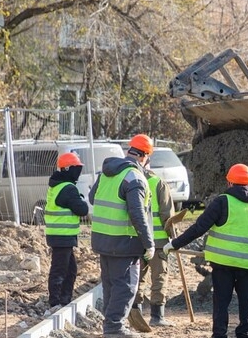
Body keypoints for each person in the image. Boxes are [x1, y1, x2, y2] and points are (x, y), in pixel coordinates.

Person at [164, 163, 248, 338]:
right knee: (247, 302)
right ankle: (245, 333)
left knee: (221, 302)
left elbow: (199, 227)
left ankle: (219, 334)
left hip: (224, 264)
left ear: (229, 182)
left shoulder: (222, 201)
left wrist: (175, 244)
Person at [89, 134, 156, 337]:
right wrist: (149, 243)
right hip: (124, 242)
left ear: (130, 151)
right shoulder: (134, 177)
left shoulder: (106, 173)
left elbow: (92, 197)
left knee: (111, 285)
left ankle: (111, 325)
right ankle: (114, 327)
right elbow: (137, 213)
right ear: (144, 156)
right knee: (126, 287)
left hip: (103, 239)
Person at [132, 158, 175, 327]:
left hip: (137, 240)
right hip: (158, 241)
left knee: (138, 277)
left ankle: (135, 313)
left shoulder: (131, 180)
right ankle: (157, 316)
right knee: (159, 277)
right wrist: (173, 238)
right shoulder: (158, 183)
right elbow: (167, 215)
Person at [45, 152, 90, 310]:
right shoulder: (68, 188)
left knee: (70, 270)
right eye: (77, 168)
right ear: (69, 169)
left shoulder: (56, 185)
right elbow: (82, 209)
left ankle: (64, 300)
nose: (78, 172)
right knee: (60, 270)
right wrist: (81, 199)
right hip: (62, 236)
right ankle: (55, 303)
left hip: (59, 236)